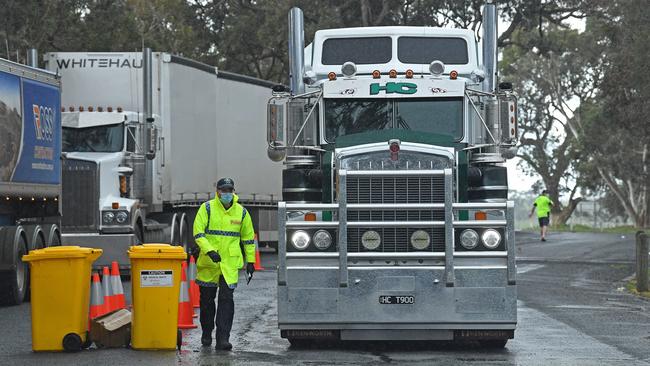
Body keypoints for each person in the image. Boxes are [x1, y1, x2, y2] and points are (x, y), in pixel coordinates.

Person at [193, 177, 256, 350]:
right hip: (209, 263)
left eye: (229, 190)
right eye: (223, 190)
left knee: (226, 300)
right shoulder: (207, 208)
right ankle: (207, 332)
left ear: (233, 191)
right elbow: (198, 233)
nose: (226, 193)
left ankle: (223, 338)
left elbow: (248, 239)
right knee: (206, 301)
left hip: (229, 264)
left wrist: (251, 261)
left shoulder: (241, 212)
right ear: (217, 191)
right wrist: (209, 250)